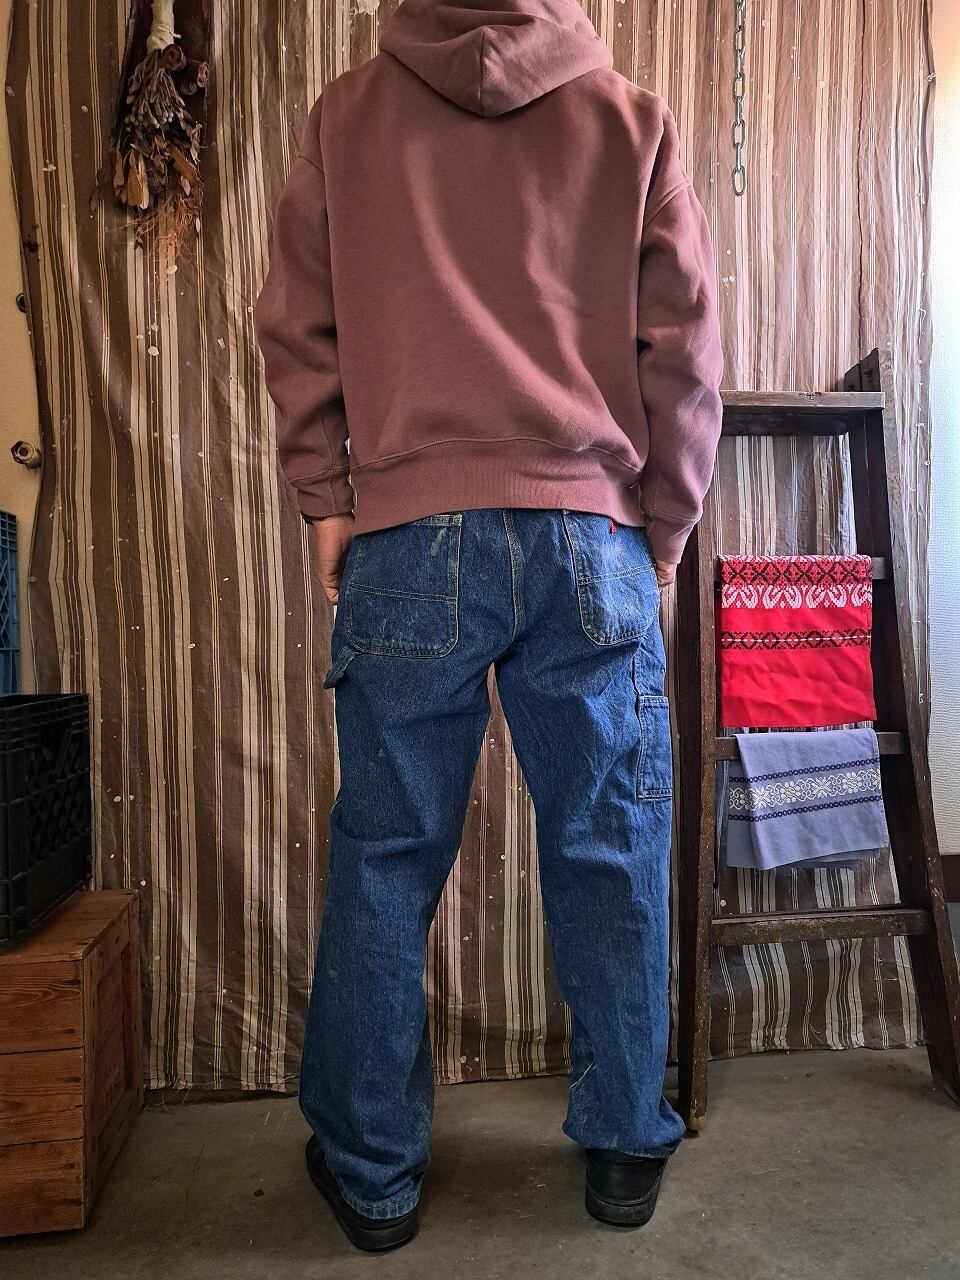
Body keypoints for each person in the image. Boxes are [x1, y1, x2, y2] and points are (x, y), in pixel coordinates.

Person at [255, 0, 723, 1253]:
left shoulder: (348, 116)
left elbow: (295, 325)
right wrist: (662, 529)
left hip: (410, 533)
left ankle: (371, 1169)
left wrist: (327, 500)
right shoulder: (631, 121)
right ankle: (623, 1140)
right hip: (591, 535)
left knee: (388, 848)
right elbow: (685, 350)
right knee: (611, 840)